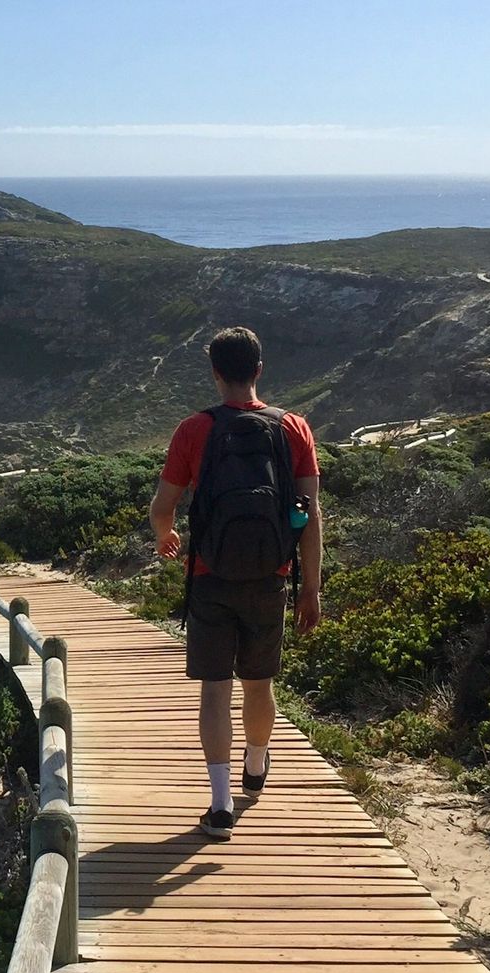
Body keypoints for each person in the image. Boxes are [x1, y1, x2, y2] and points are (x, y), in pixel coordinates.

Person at [148, 327, 323, 840]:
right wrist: (311, 588)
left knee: (215, 691)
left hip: (209, 577)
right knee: (259, 684)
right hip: (272, 578)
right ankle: (257, 762)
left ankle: (220, 804)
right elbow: (310, 515)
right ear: (259, 370)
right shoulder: (293, 428)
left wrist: (166, 535)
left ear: (215, 373)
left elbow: (163, 507)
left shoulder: (192, 431)